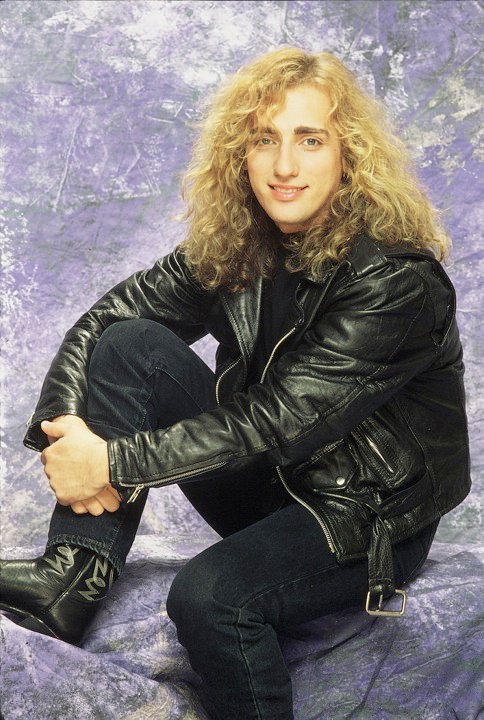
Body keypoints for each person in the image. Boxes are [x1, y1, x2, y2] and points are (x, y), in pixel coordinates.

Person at [0, 47, 471, 720]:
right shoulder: (240, 244)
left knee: (209, 597)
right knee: (132, 344)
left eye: (310, 140)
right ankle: (71, 577)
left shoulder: (395, 282)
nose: (285, 166)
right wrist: (68, 430)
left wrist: (110, 463)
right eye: (264, 140)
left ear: (349, 154)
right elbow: (107, 319)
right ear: (240, 155)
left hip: (365, 516)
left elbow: (280, 421)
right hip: (271, 482)